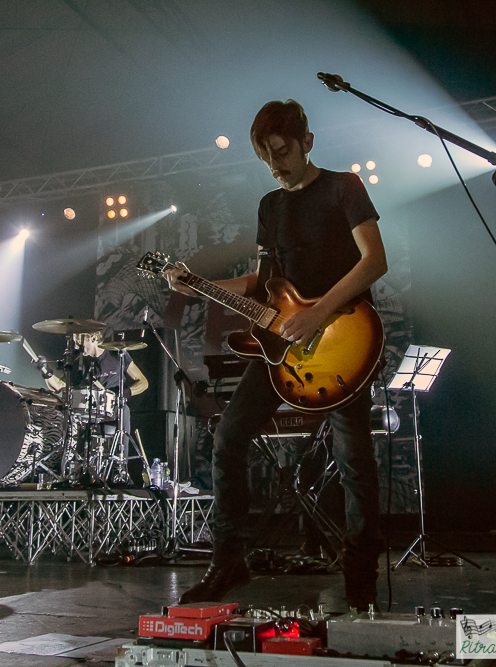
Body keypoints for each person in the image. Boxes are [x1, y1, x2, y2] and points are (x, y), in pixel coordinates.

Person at [165, 100, 387, 610]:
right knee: (229, 436)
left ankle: (361, 579)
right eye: (265, 156)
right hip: (282, 348)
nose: (275, 164)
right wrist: (197, 285)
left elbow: (375, 260)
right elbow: (265, 285)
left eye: (282, 151)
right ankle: (228, 561)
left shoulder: (343, 188)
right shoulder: (271, 205)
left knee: (355, 459)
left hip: (343, 340)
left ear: (307, 141)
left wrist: (316, 313)